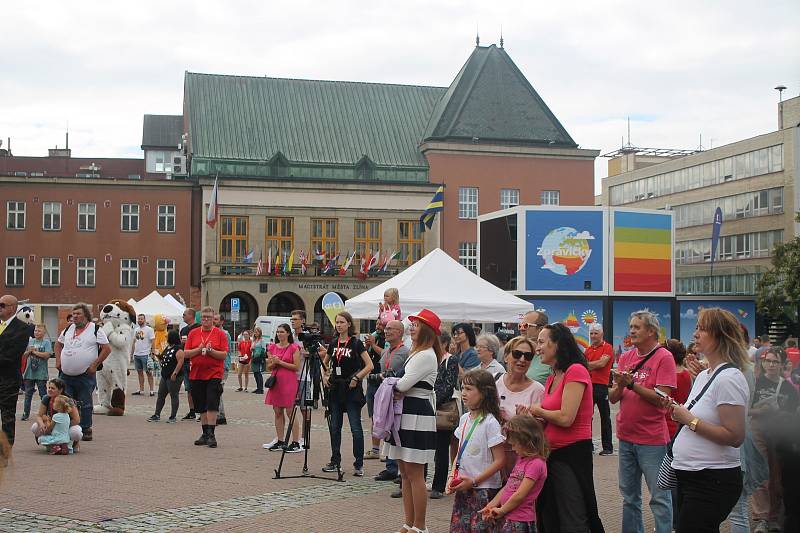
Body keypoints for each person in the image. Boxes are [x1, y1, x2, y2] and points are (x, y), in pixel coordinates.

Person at [666, 308, 751, 533]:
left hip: (712, 480)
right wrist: (679, 412)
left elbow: (735, 436)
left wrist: (690, 420)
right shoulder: (705, 375)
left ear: (720, 335)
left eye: (701, 329)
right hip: (691, 477)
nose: (695, 334)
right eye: (696, 328)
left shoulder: (729, 379)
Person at [530, 322, 604, 533]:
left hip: (570, 455)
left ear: (558, 344)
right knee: (550, 514)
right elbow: (548, 417)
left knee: (572, 515)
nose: (538, 348)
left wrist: (538, 411)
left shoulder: (576, 371)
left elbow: (565, 418)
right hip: (550, 454)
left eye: (542, 342)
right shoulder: (552, 377)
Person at [609, 310, 675, 533]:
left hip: (652, 440)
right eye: (631, 326)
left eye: (637, 327)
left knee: (659, 497)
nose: (632, 331)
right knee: (629, 497)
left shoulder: (664, 357)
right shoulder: (626, 357)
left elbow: (663, 400)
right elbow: (613, 398)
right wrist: (619, 384)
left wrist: (632, 385)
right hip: (626, 437)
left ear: (651, 331)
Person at [380, 309, 439, 533]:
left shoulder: (425, 355)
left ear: (427, 330)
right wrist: (396, 385)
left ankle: (420, 526)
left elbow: (402, 385)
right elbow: (399, 383)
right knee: (405, 473)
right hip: (406, 413)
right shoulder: (418, 353)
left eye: (417, 324)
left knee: (414, 474)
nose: (412, 327)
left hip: (416, 414)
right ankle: (409, 522)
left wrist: (395, 385)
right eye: (412, 324)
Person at [448, 368, 506, 533]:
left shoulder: (490, 422)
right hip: (465, 487)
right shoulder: (464, 419)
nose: (464, 393)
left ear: (484, 393)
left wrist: (474, 481)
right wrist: (452, 475)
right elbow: (460, 452)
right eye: (462, 388)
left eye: (469, 389)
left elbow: (500, 460)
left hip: (483, 489)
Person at [750, 345, 799, 533]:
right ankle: (762, 517)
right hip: (758, 430)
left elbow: (794, 413)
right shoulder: (755, 383)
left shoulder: (788, 387)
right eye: (767, 361)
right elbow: (745, 410)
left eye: (774, 361)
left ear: (782, 364)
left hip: (780, 434)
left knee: (776, 474)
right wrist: (759, 411)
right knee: (760, 474)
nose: (770, 365)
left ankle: (774, 516)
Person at [320, 311, 373, 476]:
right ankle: (335, 460)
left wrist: (357, 377)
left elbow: (369, 365)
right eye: (337, 322)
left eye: (342, 322)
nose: (339, 325)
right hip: (336, 388)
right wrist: (325, 376)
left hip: (351, 389)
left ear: (349, 324)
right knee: (334, 427)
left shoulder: (356, 344)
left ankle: (359, 464)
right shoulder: (334, 342)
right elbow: (325, 364)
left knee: (355, 428)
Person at [480, 414, 548, 533]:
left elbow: (520, 494)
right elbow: (508, 487)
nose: (512, 448)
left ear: (527, 441)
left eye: (514, 444)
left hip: (519, 520)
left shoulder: (536, 464)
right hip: (507, 516)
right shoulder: (521, 459)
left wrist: (502, 510)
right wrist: (491, 505)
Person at [55, 303, 111, 442]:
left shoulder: (96, 329)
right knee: (65, 402)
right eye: (73, 314)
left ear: (86, 315)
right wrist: (58, 360)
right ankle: (68, 427)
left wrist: (94, 364)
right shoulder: (68, 329)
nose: (74, 316)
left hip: (85, 374)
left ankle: (86, 428)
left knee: (85, 402)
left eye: (78, 314)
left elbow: (106, 349)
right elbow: (58, 344)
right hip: (66, 375)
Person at [496, 336, 544, 478]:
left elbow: (540, 432)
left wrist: (524, 422)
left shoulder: (537, 390)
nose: (522, 359)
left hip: (519, 461)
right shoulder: (493, 381)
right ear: (506, 356)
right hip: (491, 457)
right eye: (517, 354)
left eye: (528, 356)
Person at [183, 307, 228, 448]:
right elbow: (186, 353)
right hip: (196, 373)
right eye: (203, 317)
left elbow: (224, 355)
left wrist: (211, 351)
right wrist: (199, 349)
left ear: (213, 318)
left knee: (212, 402)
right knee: (200, 404)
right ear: (199, 318)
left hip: (214, 373)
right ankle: (204, 433)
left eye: (209, 317)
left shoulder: (220, 334)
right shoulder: (193, 333)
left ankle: (212, 434)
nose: (206, 320)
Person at [372, 320, 410, 481]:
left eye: (390, 329)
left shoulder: (405, 352)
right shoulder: (386, 352)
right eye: (386, 328)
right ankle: (390, 467)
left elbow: (399, 374)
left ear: (400, 332)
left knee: (398, 431)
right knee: (387, 428)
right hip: (385, 394)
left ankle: (399, 469)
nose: (386, 331)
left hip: (398, 396)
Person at [0, 294, 36, 446]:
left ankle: (5, 453)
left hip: (8, 379)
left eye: (2, 305)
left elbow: (11, 355)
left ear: (12, 308)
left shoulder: (23, 329)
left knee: (7, 417)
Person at [430, 330, 459, 498]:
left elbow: (448, 387)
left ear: (445, 343)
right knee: (427, 447)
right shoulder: (430, 359)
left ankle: (438, 486)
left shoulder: (451, 360)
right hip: (429, 408)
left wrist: (432, 402)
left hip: (442, 410)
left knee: (441, 448)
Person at [264, 324, 301, 452]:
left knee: (290, 412)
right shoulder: (272, 347)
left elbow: (296, 367)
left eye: (282, 332)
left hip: (289, 381)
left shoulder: (294, 347)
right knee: (277, 411)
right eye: (278, 332)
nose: (279, 334)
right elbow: (268, 367)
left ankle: (296, 442)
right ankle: (280, 440)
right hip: (276, 381)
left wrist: (281, 362)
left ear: (288, 334)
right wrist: (273, 362)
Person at [584, 323, 614, 455]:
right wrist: (592, 365)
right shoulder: (588, 350)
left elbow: (602, 364)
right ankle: (587, 445)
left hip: (601, 386)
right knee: (586, 417)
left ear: (601, 334)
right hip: (589, 385)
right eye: (591, 333)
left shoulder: (607, 347)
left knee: (605, 417)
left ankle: (607, 447)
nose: (593, 336)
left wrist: (588, 365)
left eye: (596, 333)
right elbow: (584, 366)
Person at [31, 378, 83, 451]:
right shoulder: (46, 398)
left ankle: (74, 443)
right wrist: (41, 424)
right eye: (49, 387)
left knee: (76, 433)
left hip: (66, 426)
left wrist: (62, 426)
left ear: (60, 390)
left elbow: (76, 420)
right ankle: (52, 444)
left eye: (53, 388)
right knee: (35, 427)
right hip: (51, 424)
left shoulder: (68, 400)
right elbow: (39, 416)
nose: (49, 390)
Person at [147, 330, 185, 422]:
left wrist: (175, 373)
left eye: (168, 336)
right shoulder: (168, 347)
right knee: (161, 395)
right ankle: (157, 414)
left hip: (174, 376)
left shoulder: (178, 349)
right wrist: (158, 356)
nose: (166, 338)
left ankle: (173, 416)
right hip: (165, 375)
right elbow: (163, 358)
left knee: (174, 395)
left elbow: (180, 361)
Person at [365, 320, 387, 459]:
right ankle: (375, 449)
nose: (378, 327)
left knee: (385, 415)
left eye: (381, 325)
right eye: (377, 324)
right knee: (374, 417)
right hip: (372, 381)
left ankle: (386, 450)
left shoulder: (389, 340)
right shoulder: (374, 335)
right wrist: (367, 347)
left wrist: (373, 344)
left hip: (384, 381)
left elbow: (386, 355)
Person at [21, 324, 52, 421]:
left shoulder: (46, 342)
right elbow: (24, 355)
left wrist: (34, 352)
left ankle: (46, 413)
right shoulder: (30, 341)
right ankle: (26, 413)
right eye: (35, 331)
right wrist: (29, 351)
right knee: (28, 394)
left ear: (44, 332)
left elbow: (47, 355)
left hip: (41, 373)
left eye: (39, 331)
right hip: (29, 373)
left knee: (43, 394)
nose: (36, 332)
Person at [519, 310, 551, 385]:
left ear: (541, 329)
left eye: (526, 325)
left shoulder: (551, 357)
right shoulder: (516, 352)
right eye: (520, 325)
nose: (521, 329)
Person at [179, 308, 199, 420]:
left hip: (196, 362)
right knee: (189, 388)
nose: (183, 316)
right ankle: (192, 411)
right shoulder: (183, 330)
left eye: (184, 314)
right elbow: (180, 345)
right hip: (186, 362)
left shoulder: (199, 328)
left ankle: (201, 411)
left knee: (198, 387)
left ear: (191, 315)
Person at [214, 313, 233, 425]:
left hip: (223, 366)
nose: (213, 321)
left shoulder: (224, 334)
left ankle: (219, 415)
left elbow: (225, 351)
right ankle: (220, 415)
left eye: (216, 319)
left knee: (217, 390)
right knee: (217, 390)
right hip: (217, 365)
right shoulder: (215, 332)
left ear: (221, 322)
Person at [250, 327, 266, 395]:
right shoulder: (254, 340)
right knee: (255, 373)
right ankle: (258, 387)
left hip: (259, 358)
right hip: (254, 357)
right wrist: (252, 349)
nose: (256, 333)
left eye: (257, 332)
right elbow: (251, 349)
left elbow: (263, 349)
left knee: (259, 373)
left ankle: (261, 389)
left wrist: (260, 356)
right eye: (255, 332)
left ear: (260, 333)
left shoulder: (262, 340)